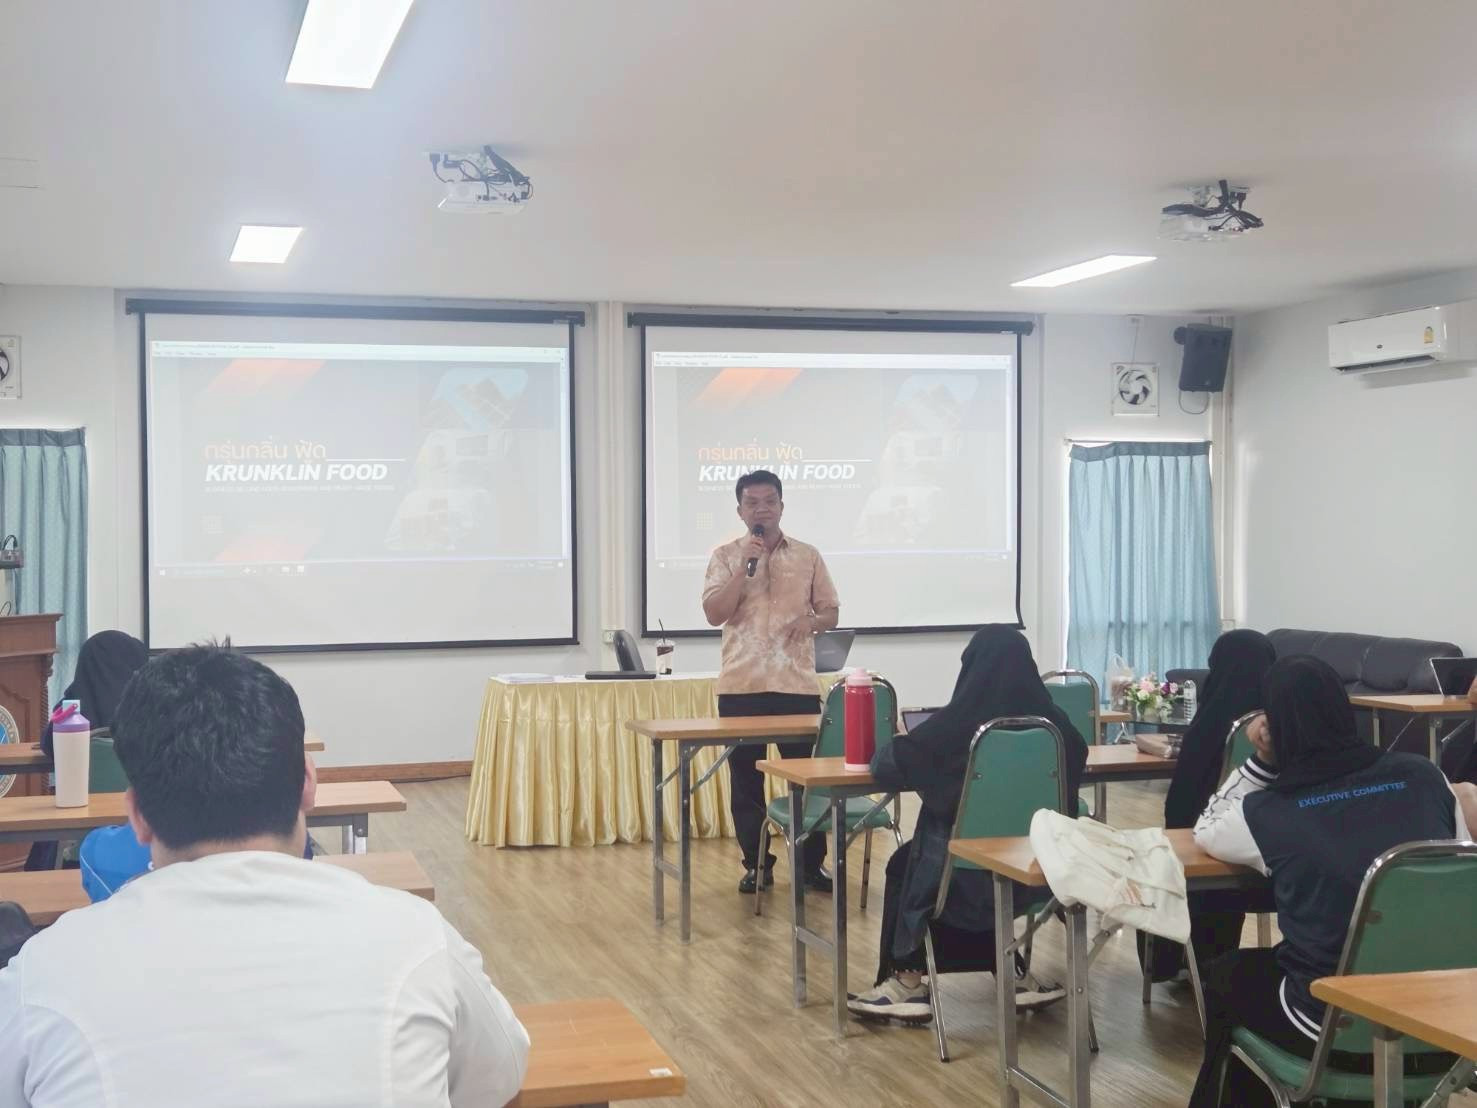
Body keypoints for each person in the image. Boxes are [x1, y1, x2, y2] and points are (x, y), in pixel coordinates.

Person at [0, 644, 529, 1107]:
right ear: (308, 784)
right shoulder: (417, 938)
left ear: (136, 815)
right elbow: (498, 1075)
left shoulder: (44, 974)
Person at [1188, 655, 1470, 1107]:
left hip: (1331, 1025)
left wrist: (1261, 761)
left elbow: (1205, 830)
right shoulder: (1426, 777)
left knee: (1229, 975)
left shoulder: (1266, 813)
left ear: (1274, 728)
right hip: (1443, 1023)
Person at [846, 626, 1088, 1023]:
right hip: (1039, 879)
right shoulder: (1059, 730)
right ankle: (1011, 970)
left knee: (908, 862)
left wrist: (904, 740)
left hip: (958, 884)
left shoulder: (958, 726)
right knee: (968, 853)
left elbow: (887, 765)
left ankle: (907, 981)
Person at [703, 469, 840, 895]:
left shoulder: (808, 555)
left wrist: (811, 622)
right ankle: (757, 864)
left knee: (806, 778)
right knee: (746, 782)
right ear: (740, 510)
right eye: (752, 503)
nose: (761, 509)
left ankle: (811, 865)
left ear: (782, 505)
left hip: (795, 686)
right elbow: (714, 614)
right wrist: (743, 570)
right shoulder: (726, 556)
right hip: (741, 687)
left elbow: (831, 612)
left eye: (769, 501)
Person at [1144, 629, 1277, 978]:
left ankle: (1175, 962)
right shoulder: (1282, 726)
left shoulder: (1210, 725)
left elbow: (1181, 804)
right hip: (1275, 867)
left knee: (1157, 853)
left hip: (1209, 858)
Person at [26, 630, 150, 871]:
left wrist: (72, 694)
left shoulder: (73, 716)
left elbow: (48, 746)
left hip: (75, 848)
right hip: (144, 846)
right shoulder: (152, 720)